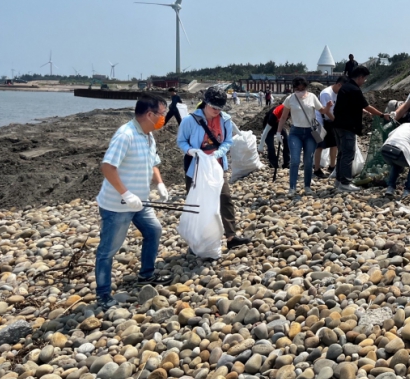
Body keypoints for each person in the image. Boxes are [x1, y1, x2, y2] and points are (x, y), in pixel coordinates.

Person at [94, 95, 173, 309]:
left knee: (154, 231)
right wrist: (127, 194)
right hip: (117, 205)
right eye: (162, 114)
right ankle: (103, 294)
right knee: (108, 250)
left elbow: (153, 162)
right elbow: (107, 167)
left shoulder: (148, 135)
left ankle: (146, 275)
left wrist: (160, 184)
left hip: (141, 202)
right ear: (150, 114)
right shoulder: (125, 135)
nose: (164, 118)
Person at [177, 86, 251, 250]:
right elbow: (181, 141)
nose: (216, 111)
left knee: (225, 198)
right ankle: (196, 241)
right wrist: (191, 151)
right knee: (196, 202)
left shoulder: (225, 119)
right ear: (205, 103)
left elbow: (228, 141)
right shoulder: (190, 120)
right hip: (196, 167)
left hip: (216, 165)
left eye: (220, 108)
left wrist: (219, 152)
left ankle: (231, 237)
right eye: (213, 107)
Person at [332, 65, 388, 192]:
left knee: (341, 153)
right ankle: (345, 183)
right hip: (347, 126)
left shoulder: (345, 87)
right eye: (364, 78)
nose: (364, 81)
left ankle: (339, 181)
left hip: (337, 125)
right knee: (348, 154)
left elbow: (351, 106)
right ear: (360, 77)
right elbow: (366, 106)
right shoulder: (354, 89)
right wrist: (382, 115)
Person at [276, 77, 333, 196]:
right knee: (295, 160)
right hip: (295, 132)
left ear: (306, 87)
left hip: (310, 133)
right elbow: (283, 117)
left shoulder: (312, 97)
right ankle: (292, 188)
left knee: (308, 161)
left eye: (302, 89)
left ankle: (307, 186)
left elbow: (322, 111)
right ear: (294, 88)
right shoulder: (290, 99)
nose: (300, 91)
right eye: (297, 89)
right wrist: (278, 132)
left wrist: (328, 107)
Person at [314, 76, 346, 178]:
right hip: (320, 120)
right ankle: (317, 169)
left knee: (334, 144)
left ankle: (332, 166)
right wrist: (336, 121)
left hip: (331, 121)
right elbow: (325, 111)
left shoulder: (338, 93)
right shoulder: (326, 93)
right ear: (339, 85)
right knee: (319, 146)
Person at [259, 103, 290, 169]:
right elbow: (265, 132)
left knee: (287, 141)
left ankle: (287, 163)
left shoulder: (289, 109)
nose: (287, 118)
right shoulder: (274, 115)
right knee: (270, 145)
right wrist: (260, 146)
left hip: (278, 125)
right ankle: (273, 164)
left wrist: (279, 133)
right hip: (268, 126)